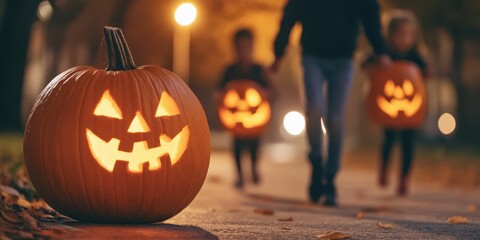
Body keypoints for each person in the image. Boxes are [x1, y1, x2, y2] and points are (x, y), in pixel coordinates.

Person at [272, 0, 390, 206]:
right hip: (312, 56)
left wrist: (381, 51)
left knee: (335, 119)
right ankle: (317, 159)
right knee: (314, 108)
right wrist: (278, 52)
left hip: (343, 59)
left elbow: (370, 16)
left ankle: (330, 178)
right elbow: (291, 13)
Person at [363, 11, 429, 196]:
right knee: (388, 140)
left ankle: (404, 178)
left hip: (411, 114)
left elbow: (426, 73)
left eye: (410, 35)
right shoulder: (384, 54)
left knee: (409, 143)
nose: (406, 39)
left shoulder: (416, 57)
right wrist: (377, 63)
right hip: (388, 113)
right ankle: (384, 169)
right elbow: (364, 64)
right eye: (401, 35)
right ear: (391, 35)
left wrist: (427, 72)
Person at [219, 28, 273, 188]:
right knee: (237, 145)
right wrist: (221, 95)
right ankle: (240, 175)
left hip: (254, 119)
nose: (243, 51)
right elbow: (219, 90)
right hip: (236, 120)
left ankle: (254, 169)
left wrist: (264, 93)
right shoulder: (229, 70)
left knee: (255, 144)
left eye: (246, 47)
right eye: (240, 47)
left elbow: (271, 90)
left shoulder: (258, 70)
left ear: (252, 47)